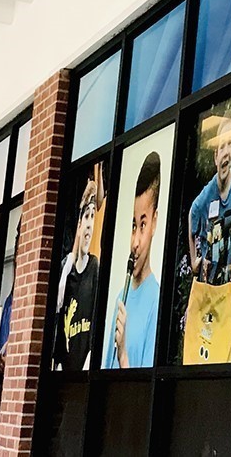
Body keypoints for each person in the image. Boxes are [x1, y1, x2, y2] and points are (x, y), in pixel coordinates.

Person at [106, 152, 162, 368]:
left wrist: (123, 355)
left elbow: (143, 390)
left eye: (143, 225)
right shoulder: (122, 297)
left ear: (154, 223)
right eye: (133, 225)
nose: (135, 242)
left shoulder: (156, 300)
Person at [188, 110, 231, 286]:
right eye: (222, 146)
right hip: (206, 283)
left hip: (227, 283)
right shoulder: (206, 195)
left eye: (230, 144)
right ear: (215, 156)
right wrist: (194, 260)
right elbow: (192, 213)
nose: (226, 152)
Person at [53, 165, 103, 371]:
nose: (90, 224)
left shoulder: (96, 269)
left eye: (93, 217)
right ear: (79, 221)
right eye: (86, 216)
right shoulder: (66, 270)